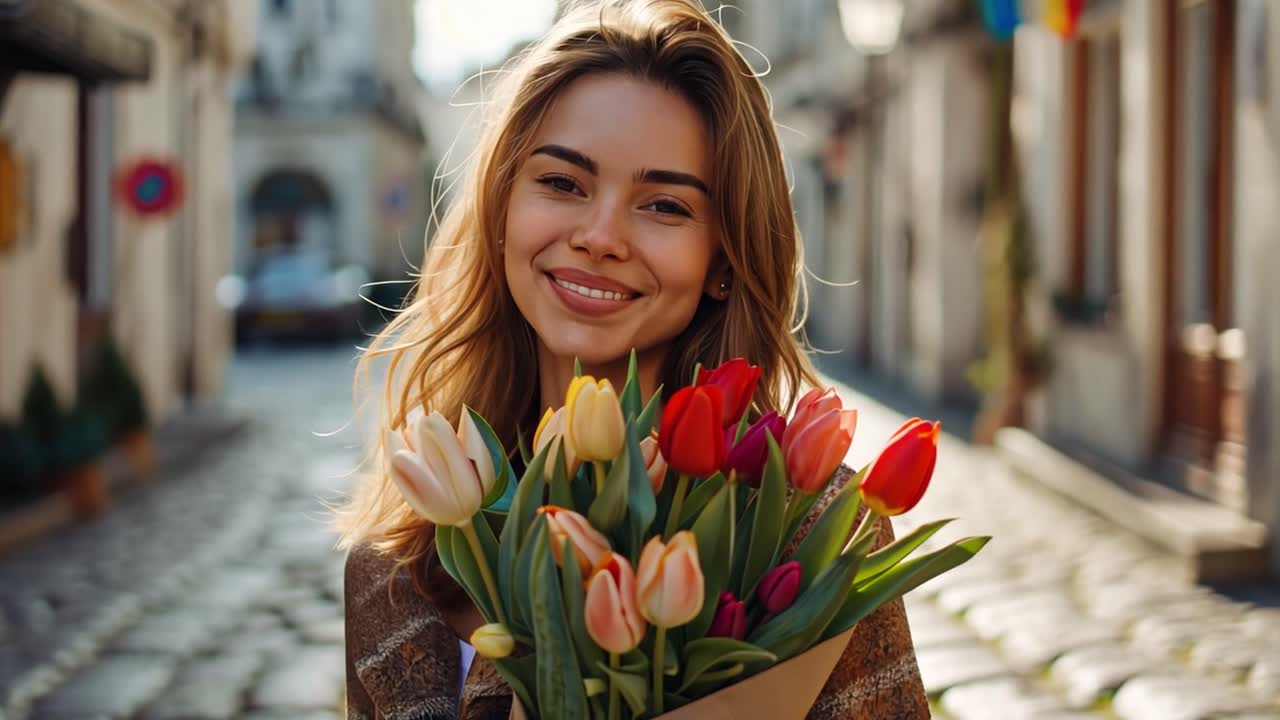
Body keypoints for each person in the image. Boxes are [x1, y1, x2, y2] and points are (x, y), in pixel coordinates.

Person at [337, 1, 929, 717]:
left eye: (665, 207)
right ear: (500, 210)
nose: (601, 235)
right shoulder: (394, 567)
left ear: (723, 258)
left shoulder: (812, 536)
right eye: (562, 183)